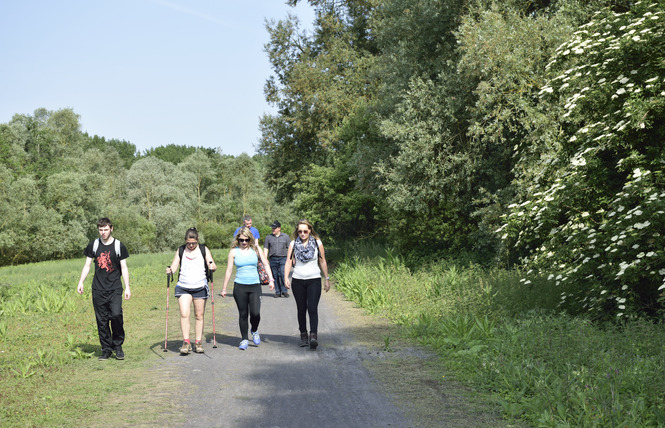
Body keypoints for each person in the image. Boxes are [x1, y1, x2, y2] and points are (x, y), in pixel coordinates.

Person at [77, 218, 131, 361]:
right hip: (98, 289)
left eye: (106, 229)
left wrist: (127, 287)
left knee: (116, 315)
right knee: (102, 320)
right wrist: (81, 281)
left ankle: (118, 346)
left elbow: (124, 267)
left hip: (115, 288)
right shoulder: (94, 245)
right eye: (101, 230)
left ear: (111, 229)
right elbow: (87, 265)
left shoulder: (119, 246)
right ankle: (106, 349)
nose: (103, 232)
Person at [221, 226, 274, 350]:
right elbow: (229, 270)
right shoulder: (234, 252)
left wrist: (271, 279)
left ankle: (254, 330)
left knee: (255, 313)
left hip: (255, 285)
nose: (244, 242)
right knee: (243, 314)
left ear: (250, 239)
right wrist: (224, 288)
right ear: (237, 240)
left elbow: (266, 264)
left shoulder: (256, 249)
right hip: (240, 286)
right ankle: (244, 339)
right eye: (241, 240)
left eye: (246, 240)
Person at [166, 228, 217, 355]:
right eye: (189, 243)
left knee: (199, 316)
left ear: (197, 240)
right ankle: (186, 342)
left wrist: (212, 267)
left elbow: (212, 264)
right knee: (184, 313)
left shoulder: (204, 249)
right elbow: (174, 266)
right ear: (185, 241)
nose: (191, 245)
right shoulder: (181, 250)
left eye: (193, 243)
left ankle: (198, 342)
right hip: (183, 286)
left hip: (200, 286)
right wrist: (170, 270)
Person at [284, 219, 330, 350]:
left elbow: (322, 261)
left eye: (305, 231)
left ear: (310, 230)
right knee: (301, 309)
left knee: (312, 308)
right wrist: (286, 277)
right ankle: (303, 335)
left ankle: (313, 336)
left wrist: (326, 278)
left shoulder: (317, 242)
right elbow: (288, 262)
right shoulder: (293, 244)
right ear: (297, 232)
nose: (302, 233)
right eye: (300, 231)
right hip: (298, 280)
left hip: (314, 279)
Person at [263, 220, 291, 298]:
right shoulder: (268, 237)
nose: (273, 229)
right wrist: (265, 258)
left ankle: (284, 291)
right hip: (273, 258)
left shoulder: (286, 236)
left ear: (279, 228)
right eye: (272, 228)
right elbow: (266, 248)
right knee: (274, 275)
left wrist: (291, 258)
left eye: (275, 228)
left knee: (283, 274)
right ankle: (278, 292)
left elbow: (290, 248)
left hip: (283, 258)